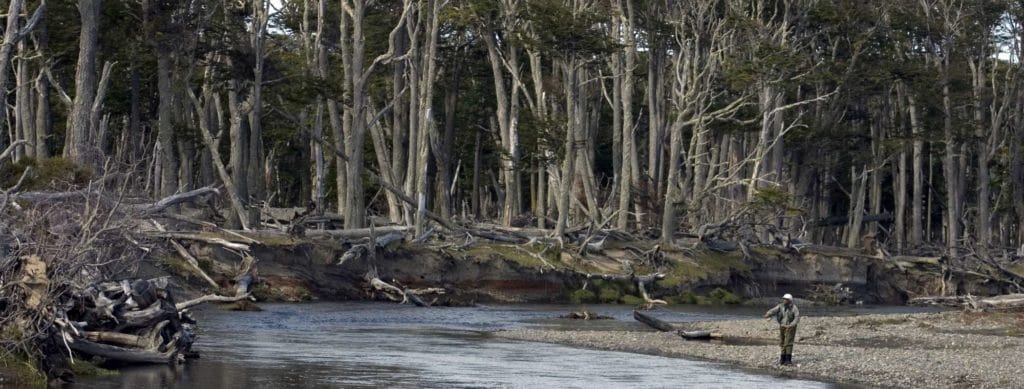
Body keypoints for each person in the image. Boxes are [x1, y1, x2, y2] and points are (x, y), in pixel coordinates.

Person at [763, 293, 800, 365]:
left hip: (790, 327)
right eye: (784, 299)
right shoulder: (780, 306)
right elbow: (773, 310)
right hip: (782, 326)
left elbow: (797, 317)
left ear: (790, 300)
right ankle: (782, 359)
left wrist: (791, 325)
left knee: (788, 343)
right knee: (782, 342)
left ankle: (788, 360)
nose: (784, 301)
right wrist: (768, 314)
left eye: (786, 299)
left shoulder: (794, 308)